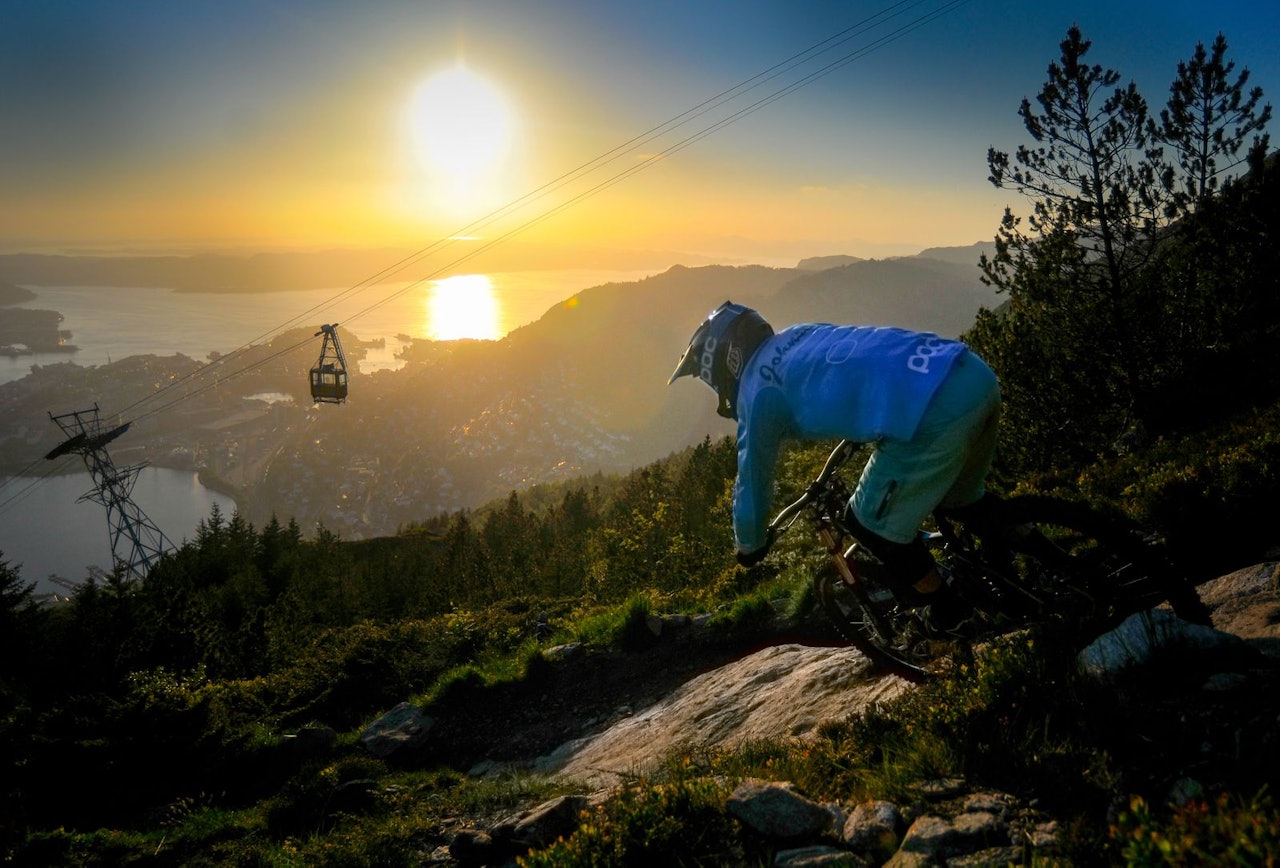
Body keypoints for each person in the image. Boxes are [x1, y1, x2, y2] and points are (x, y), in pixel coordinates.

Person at [667, 300, 1002, 632]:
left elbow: (751, 483)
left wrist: (749, 546)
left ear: (726, 363)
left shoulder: (758, 393)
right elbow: (854, 369)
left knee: (868, 524)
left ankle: (953, 611)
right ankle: (1036, 559)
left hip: (934, 414)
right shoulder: (798, 334)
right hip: (969, 372)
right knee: (962, 500)